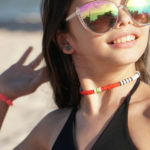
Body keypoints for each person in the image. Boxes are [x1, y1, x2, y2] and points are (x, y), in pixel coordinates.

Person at [0, 0, 150, 149]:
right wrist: (3, 93)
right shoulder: (52, 128)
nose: (125, 19)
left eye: (136, 6)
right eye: (101, 13)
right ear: (65, 40)